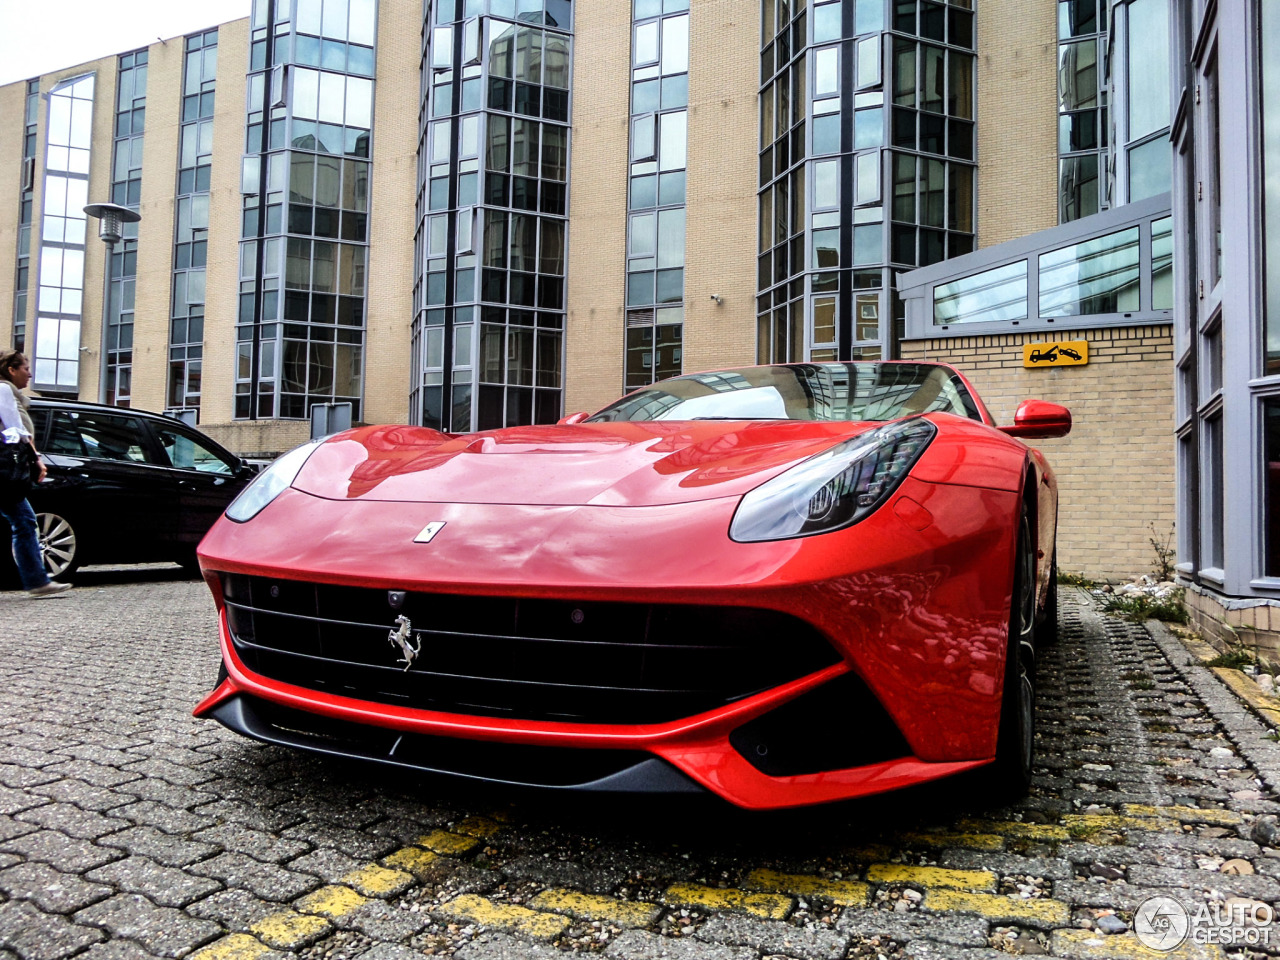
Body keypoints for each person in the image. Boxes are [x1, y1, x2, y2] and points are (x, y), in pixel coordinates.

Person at [0, 350, 70, 598]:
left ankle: (37, 580)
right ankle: (37, 581)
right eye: (25, 368)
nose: (29, 373)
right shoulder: (4, 390)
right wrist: (36, 459)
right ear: (11, 370)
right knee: (24, 522)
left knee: (24, 522)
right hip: (3, 472)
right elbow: (15, 430)